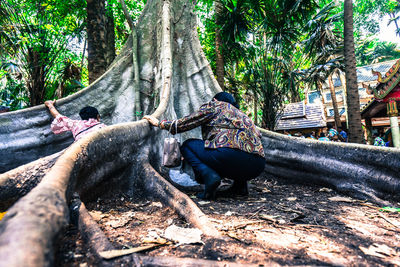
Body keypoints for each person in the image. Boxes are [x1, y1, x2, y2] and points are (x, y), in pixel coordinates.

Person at [143, 92, 265, 200]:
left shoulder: (216, 105)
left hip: (228, 156)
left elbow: (186, 122)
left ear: (215, 100)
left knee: (188, 145)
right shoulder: (243, 115)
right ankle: (240, 188)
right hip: (257, 165)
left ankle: (210, 177)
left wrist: (160, 123)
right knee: (238, 149)